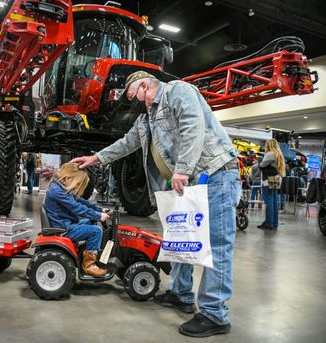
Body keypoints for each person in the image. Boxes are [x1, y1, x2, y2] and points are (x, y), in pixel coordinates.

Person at [71, 71, 242, 337]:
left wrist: (183, 169)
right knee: (181, 239)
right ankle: (181, 293)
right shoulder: (145, 119)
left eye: (133, 96)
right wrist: (96, 158)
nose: (135, 102)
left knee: (218, 244)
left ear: (143, 85)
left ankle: (214, 314)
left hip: (216, 174)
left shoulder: (177, 91)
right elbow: (127, 143)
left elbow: (192, 126)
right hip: (189, 183)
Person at [44, 162, 110, 277]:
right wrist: (98, 215)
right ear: (68, 178)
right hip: (64, 229)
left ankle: (87, 252)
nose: (77, 187)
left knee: (90, 222)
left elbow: (80, 201)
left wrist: (99, 210)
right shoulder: (57, 192)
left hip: (65, 224)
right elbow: (77, 208)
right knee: (96, 230)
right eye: (77, 184)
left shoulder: (60, 187)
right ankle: (89, 265)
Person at [258, 139, 286, 229]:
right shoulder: (279, 154)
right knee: (274, 201)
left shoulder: (270, 154)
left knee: (269, 201)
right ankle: (274, 223)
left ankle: (269, 223)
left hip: (268, 180)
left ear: (268, 145)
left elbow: (262, 165)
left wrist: (259, 161)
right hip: (277, 179)